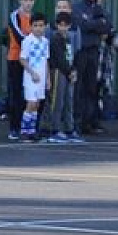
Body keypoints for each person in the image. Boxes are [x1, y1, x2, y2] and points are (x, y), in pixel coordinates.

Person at [72, 0, 111, 135]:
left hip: (95, 51)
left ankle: (90, 121)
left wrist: (93, 23)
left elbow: (107, 27)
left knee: (92, 87)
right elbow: (83, 25)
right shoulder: (77, 8)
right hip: (81, 51)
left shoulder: (100, 9)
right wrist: (97, 24)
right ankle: (77, 122)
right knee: (79, 87)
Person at [2, 0, 34, 141]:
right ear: (20, 1)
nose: (28, 3)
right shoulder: (14, 16)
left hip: (32, 60)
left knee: (30, 94)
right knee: (16, 94)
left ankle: (28, 126)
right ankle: (14, 127)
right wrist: (33, 42)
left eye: (31, 0)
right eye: (25, 0)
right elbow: (19, 35)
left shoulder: (34, 17)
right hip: (16, 58)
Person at [44, 12, 81, 143]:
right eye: (60, 25)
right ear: (56, 25)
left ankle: (69, 128)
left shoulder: (68, 39)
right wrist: (70, 71)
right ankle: (54, 128)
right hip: (59, 72)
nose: (63, 28)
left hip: (68, 72)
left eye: (65, 25)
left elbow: (71, 56)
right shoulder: (55, 39)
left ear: (69, 26)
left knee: (68, 100)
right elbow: (59, 59)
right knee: (57, 101)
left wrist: (74, 70)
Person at [19, 13, 49, 142]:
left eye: (41, 25)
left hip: (41, 77)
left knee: (37, 104)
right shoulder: (27, 41)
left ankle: (32, 130)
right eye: (35, 25)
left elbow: (46, 60)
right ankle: (24, 130)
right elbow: (22, 59)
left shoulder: (45, 41)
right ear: (31, 27)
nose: (38, 28)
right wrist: (31, 73)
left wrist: (47, 78)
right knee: (31, 103)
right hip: (31, 77)